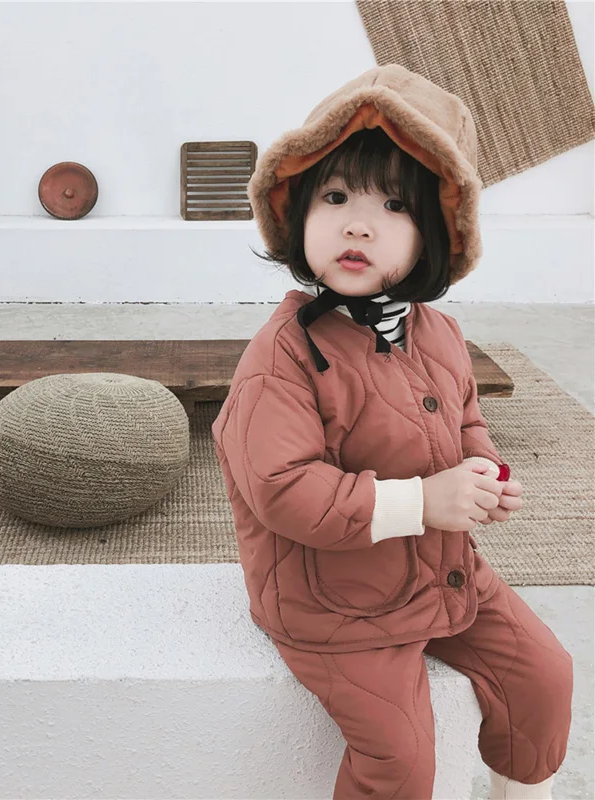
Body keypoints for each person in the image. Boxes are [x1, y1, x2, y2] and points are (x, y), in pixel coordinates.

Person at [211, 64, 573, 800]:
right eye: (336, 197)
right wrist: (423, 502)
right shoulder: (283, 356)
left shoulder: (438, 333)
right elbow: (282, 489)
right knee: (401, 758)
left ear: (437, 234)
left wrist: (485, 472)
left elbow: (465, 418)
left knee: (546, 676)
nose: (358, 224)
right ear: (296, 210)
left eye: (394, 205)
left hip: (442, 572)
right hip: (334, 604)